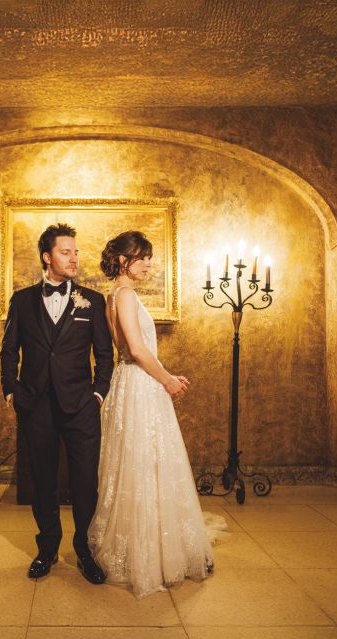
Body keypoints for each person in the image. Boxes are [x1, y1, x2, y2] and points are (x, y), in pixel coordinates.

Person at [89, 230, 225, 598]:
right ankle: (153, 556)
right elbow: (134, 347)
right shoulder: (127, 295)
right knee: (148, 464)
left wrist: (164, 373)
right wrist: (167, 379)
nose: (150, 264)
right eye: (142, 257)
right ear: (122, 261)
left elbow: (126, 349)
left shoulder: (111, 296)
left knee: (137, 464)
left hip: (129, 383)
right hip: (141, 386)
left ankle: (144, 547)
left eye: (149, 257)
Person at [0, 223, 115, 583]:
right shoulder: (21, 300)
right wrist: (11, 390)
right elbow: (8, 350)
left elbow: (104, 355)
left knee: (85, 483)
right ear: (47, 257)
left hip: (81, 405)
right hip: (35, 406)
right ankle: (47, 549)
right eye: (66, 252)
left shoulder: (92, 301)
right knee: (42, 481)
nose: (74, 258)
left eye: (76, 252)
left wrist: (97, 393)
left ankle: (85, 551)